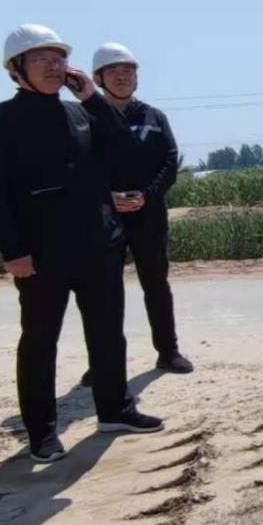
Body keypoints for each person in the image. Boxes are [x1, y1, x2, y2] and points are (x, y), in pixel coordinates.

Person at [0, 24, 164, 464]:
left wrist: (93, 97)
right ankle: (42, 432)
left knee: (108, 334)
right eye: (42, 60)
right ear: (16, 69)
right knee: (40, 341)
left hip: (98, 245)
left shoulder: (81, 114)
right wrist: (12, 251)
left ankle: (115, 409)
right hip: (40, 254)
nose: (54, 67)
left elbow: (125, 151)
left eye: (59, 60)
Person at [76, 42, 193, 385]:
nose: (122, 76)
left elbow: (170, 162)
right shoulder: (85, 119)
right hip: (105, 218)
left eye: (128, 71)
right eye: (114, 71)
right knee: (104, 294)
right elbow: (79, 167)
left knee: (156, 284)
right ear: (98, 78)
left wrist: (147, 196)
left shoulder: (155, 118)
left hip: (149, 215)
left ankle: (168, 351)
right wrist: (106, 198)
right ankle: (102, 364)